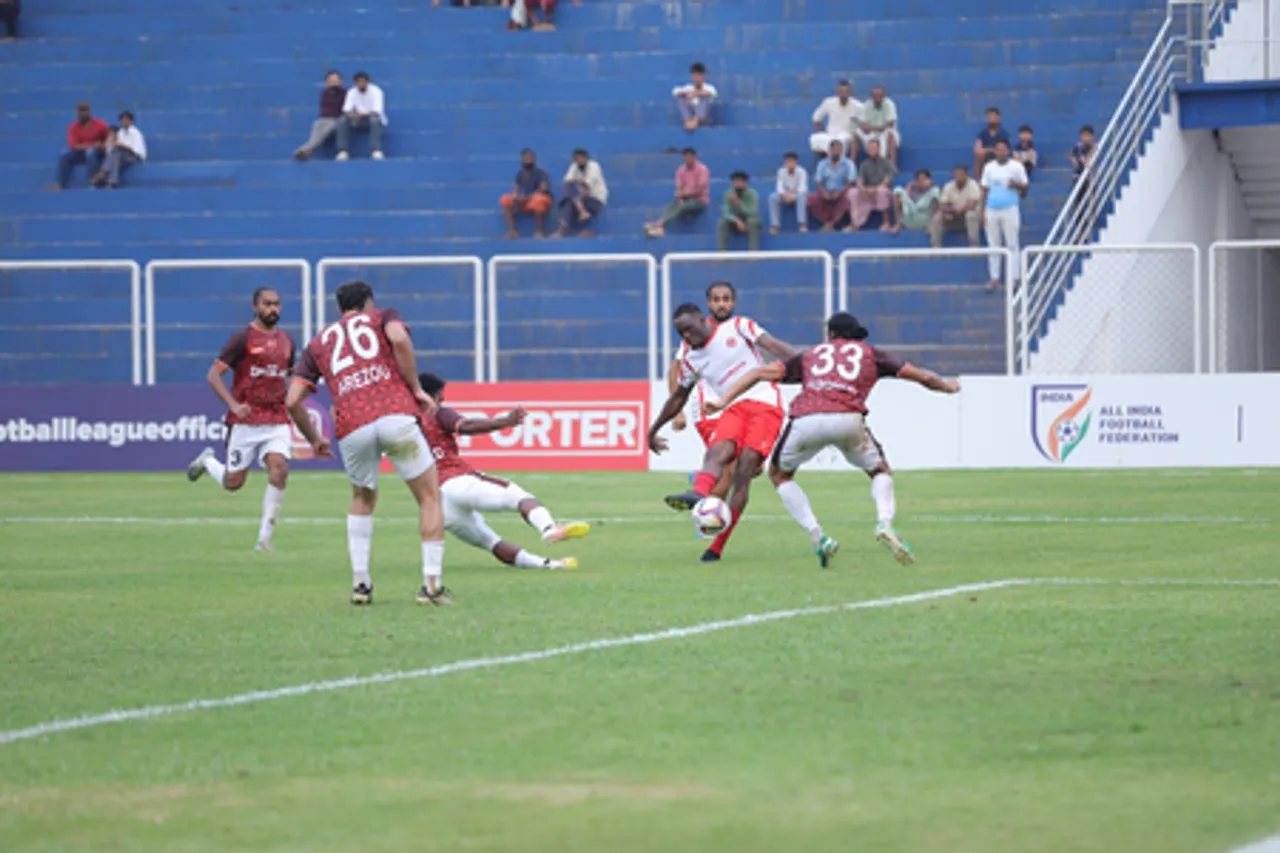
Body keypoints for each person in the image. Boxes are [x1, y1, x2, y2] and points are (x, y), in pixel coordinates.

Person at [704, 312, 960, 567]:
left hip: (807, 419)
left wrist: (722, 400)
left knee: (780, 475)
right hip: (848, 419)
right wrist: (947, 387)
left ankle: (818, 537)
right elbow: (924, 377)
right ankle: (884, 522)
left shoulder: (811, 355)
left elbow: (758, 373)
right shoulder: (871, 353)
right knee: (880, 470)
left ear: (831, 334)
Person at [286, 280, 450, 606]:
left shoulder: (318, 343)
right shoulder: (382, 316)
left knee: (362, 498)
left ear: (339, 309)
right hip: (394, 413)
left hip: (352, 422)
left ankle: (361, 584)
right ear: (369, 303)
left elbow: (292, 401)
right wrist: (416, 388)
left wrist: (314, 438)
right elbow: (399, 338)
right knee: (429, 497)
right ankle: (431, 587)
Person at [649, 304, 796, 563]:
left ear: (701, 320)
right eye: (680, 333)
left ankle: (716, 546)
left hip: (766, 405)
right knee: (719, 450)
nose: (686, 337)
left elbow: (772, 345)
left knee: (745, 471)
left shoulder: (738, 327)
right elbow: (678, 396)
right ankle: (699, 494)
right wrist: (654, 429)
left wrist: (806, 364)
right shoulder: (691, 358)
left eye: (689, 329)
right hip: (733, 406)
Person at [418, 372, 590, 569]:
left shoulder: (404, 421)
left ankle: (551, 565)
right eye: (441, 394)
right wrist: (505, 422)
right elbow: (466, 426)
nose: (443, 398)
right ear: (433, 395)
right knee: (521, 498)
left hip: (436, 501)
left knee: (490, 542)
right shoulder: (437, 412)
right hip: (457, 481)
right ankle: (549, 528)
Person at [186, 288, 296, 553]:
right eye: (267, 304)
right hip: (245, 422)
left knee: (279, 469)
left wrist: (294, 403)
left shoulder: (287, 341)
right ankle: (208, 461)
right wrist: (234, 405)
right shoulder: (242, 338)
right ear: (255, 307)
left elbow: (289, 376)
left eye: (277, 304)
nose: (273, 309)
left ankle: (264, 539)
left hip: (277, 418)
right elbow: (214, 375)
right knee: (233, 483)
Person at [665, 282, 739, 510]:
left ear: (733, 302)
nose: (721, 304)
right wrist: (677, 411)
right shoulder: (696, 332)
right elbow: (675, 369)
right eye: (716, 300)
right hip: (707, 408)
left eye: (726, 299)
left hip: (735, 406)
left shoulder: (739, 329)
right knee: (727, 465)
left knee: (751, 467)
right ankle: (708, 520)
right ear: (708, 303)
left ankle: (702, 478)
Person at [980, 139, 1029, 290]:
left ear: (1008, 151)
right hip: (992, 209)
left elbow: (1025, 188)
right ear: (995, 151)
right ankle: (994, 277)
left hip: (1010, 209)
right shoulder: (989, 167)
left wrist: (1017, 186)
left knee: (1012, 244)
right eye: (998, 149)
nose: (1001, 152)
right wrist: (982, 211)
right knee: (993, 244)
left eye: (1004, 149)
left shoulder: (1016, 167)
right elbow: (984, 189)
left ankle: (1014, 278)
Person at [644, 147, 709, 238]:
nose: (687, 159)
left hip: (699, 200)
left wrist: (685, 195)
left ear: (694, 157)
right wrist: (679, 197)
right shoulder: (680, 170)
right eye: (685, 157)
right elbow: (679, 188)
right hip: (685, 199)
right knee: (669, 206)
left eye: (690, 156)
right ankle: (660, 228)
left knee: (686, 205)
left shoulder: (702, 169)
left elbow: (700, 190)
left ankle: (659, 224)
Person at [51, 102, 110, 191]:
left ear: (90, 111)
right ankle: (60, 184)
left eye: (85, 110)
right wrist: (93, 145)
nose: (83, 113)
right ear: (77, 112)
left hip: (99, 154)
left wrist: (101, 146)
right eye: (80, 110)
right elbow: (73, 146)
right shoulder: (73, 127)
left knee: (90, 152)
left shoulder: (101, 125)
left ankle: (93, 183)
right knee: (64, 155)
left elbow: (110, 139)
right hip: (81, 153)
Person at [554, 148, 608, 238]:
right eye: (576, 159)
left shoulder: (594, 166)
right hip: (580, 200)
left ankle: (564, 231)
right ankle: (562, 229)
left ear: (586, 158)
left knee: (570, 201)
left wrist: (577, 200)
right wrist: (577, 202)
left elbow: (586, 187)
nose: (578, 161)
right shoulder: (574, 166)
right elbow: (567, 183)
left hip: (595, 199)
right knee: (567, 201)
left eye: (580, 158)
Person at [293, 71, 347, 161]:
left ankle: (304, 149)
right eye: (331, 80)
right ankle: (306, 151)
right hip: (324, 119)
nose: (334, 82)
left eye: (336, 80)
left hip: (337, 119)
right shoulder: (325, 93)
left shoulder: (345, 93)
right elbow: (325, 110)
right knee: (316, 127)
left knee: (325, 130)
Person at [500, 148, 554, 238]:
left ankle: (540, 232)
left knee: (539, 200)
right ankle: (512, 231)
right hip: (527, 200)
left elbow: (544, 189)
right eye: (526, 158)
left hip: (541, 199)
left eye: (530, 157)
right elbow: (516, 189)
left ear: (534, 159)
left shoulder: (541, 172)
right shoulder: (520, 174)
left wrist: (527, 198)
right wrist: (516, 197)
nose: (528, 160)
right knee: (505, 199)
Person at [336, 72, 387, 161]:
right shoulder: (352, 92)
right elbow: (346, 110)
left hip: (371, 120)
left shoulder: (377, 91)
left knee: (374, 120)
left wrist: (360, 115)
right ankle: (343, 151)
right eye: (359, 82)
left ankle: (376, 150)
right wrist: (354, 115)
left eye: (363, 82)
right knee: (342, 120)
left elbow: (376, 112)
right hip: (356, 120)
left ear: (367, 82)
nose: (361, 84)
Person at [807, 139, 856, 231]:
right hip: (827, 192)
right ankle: (810, 225)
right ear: (829, 151)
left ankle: (830, 224)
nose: (835, 152)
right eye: (833, 150)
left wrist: (840, 193)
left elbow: (851, 182)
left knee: (849, 197)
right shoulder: (822, 164)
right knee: (812, 198)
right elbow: (819, 182)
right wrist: (824, 192)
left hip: (842, 192)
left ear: (841, 151)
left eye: (838, 150)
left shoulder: (849, 164)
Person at [848, 137, 895, 232]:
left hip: (881, 190)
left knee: (882, 191)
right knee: (852, 192)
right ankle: (854, 224)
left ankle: (886, 222)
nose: (872, 151)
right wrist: (863, 189)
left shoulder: (887, 163)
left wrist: (874, 189)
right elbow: (860, 180)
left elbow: (887, 181)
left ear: (879, 149)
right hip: (867, 191)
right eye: (870, 149)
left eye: (874, 148)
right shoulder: (864, 165)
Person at [90, 111, 146, 189]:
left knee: (116, 153)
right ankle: (112, 182)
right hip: (122, 156)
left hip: (136, 157)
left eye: (126, 119)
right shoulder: (120, 133)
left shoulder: (135, 133)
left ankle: (102, 173)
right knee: (115, 156)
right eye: (122, 120)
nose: (124, 122)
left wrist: (122, 146)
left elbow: (135, 150)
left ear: (131, 121)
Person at [931, 164, 982, 248]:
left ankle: (974, 245)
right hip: (953, 216)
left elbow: (972, 205)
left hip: (967, 217)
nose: (959, 177)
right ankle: (936, 246)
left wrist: (958, 210)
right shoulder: (949, 186)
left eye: (961, 174)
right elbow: (943, 204)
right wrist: (946, 212)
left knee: (971, 215)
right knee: (938, 217)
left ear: (966, 175)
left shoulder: (973, 185)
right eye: (956, 174)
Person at [809, 80, 860, 159]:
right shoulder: (828, 102)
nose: (843, 94)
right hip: (830, 136)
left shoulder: (857, 106)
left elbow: (858, 126)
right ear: (837, 92)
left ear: (850, 92)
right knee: (814, 139)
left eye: (846, 91)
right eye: (841, 91)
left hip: (846, 137)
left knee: (840, 141)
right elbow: (816, 119)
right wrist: (821, 132)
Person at [856, 85, 900, 167]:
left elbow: (890, 124)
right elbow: (864, 125)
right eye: (875, 96)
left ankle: (892, 165)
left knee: (890, 134)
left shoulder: (889, 104)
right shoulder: (866, 105)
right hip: (871, 133)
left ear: (884, 96)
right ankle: (853, 164)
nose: (877, 98)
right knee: (855, 134)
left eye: (880, 96)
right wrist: (872, 128)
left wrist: (872, 128)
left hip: (885, 132)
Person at [717, 171, 761, 251]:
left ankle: (753, 253)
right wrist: (736, 220)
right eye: (735, 181)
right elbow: (725, 213)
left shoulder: (752, 193)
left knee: (752, 221)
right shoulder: (729, 194)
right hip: (737, 222)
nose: (738, 184)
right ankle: (721, 253)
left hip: (751, 221)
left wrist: (739, 204)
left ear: (745, 183)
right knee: (722, 223)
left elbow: (753, 213)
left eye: (740, 181)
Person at [769, 152, 809, 234]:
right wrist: (785, 195)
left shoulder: (802, 171)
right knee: (772, 197)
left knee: (801, 197)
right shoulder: (781, 171)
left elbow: (802, 188)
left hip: (797, 195)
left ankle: (802, 225)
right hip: (785, 195)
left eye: (792, 161)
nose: (790, 164)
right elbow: (779, 188)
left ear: (796, 162)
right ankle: (775, 226)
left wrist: (792, 195)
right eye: (787, 161)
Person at [892, 169, 940, 234]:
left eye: (924, 178)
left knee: (935, 191)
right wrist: (910, 185)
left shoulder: (933, 188)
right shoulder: (913, 186)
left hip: (925, 216)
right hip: (911, 214)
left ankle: (933, 225)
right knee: (898, 190)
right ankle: (899, 224)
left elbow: (933, 189)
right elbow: (904, 199)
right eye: (919, 178)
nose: (921, 180)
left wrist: (927, 185)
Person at [672, 62, 717, 132]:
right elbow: (675, 91)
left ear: (703, 76)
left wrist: (697, 93)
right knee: (680, 98)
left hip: (705, 118)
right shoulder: (688, 87)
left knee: (705, 99)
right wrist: (688, 93)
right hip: (691, 116)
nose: (697, 78)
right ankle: (688, 120)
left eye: (699, 75)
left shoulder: (709, 87)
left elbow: (712, 93)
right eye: (695, 75)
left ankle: (695, 121)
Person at [973, 107, 1010, 182]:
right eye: (989, 117)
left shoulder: (1003, 133)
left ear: (998, 118)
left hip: (999, 156)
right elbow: (977, 148)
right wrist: (990, 150)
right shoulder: (983, 133)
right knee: (979, 154)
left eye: (993, 116)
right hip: (986, 157)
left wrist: (996, 151)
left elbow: (1006, 149)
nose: (991, 119)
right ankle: (977, 180)